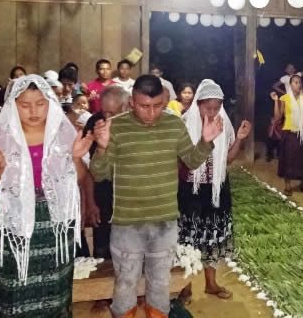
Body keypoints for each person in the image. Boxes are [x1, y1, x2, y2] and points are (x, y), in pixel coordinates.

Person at [90, 75, 224, 318]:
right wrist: (101, 148)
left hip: (165, 221)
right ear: (132, 102)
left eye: (157, 106)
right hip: (127, 223)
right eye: (144, 106)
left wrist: (205, 142)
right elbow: (99, 174)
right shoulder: (116, 126)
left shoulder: (174, 124)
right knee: (125, 283)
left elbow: (192, 160)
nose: (151, 113)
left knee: (160, 284)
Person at [0, 75, 91, 318]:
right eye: (25, 105)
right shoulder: (2, 136)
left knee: (53, 287)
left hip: (55, 223)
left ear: (51, 102)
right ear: (12, 105)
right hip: (13, 224)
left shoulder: (63, 135)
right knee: (14, 285)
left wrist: (77, 159)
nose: (33, 111)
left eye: (40, 103)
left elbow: (79, 179)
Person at [178, 80, 251, 303]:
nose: (212, 112)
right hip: (191, 190)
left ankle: (211, 284)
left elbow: (228, 159)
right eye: (207, 107)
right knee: (188, 238)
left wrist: (239, 139)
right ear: (198, 104)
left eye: (217, 107)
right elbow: (183, 160)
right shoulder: (185, 124)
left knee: (212, 237)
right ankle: (184, 287)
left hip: (216, 189)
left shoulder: (223, 124)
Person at [81, 85, 129, 259]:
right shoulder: (95, 123)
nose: (107, 118)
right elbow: (87, 168)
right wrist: (90, 203)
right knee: (103, 252)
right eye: (104, 112)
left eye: (112, 113)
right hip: (104, 195)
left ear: (127, 107)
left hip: (131, 201)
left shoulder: (137, 124)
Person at [271, 75, 303, 195]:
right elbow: (277, 117)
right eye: (295, 82)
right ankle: (288, 185)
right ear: (290, 85)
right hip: (289, 132)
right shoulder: (285, 98)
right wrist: (275, 101)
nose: (298, 84)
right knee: (288, 159)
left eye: (300, 82)